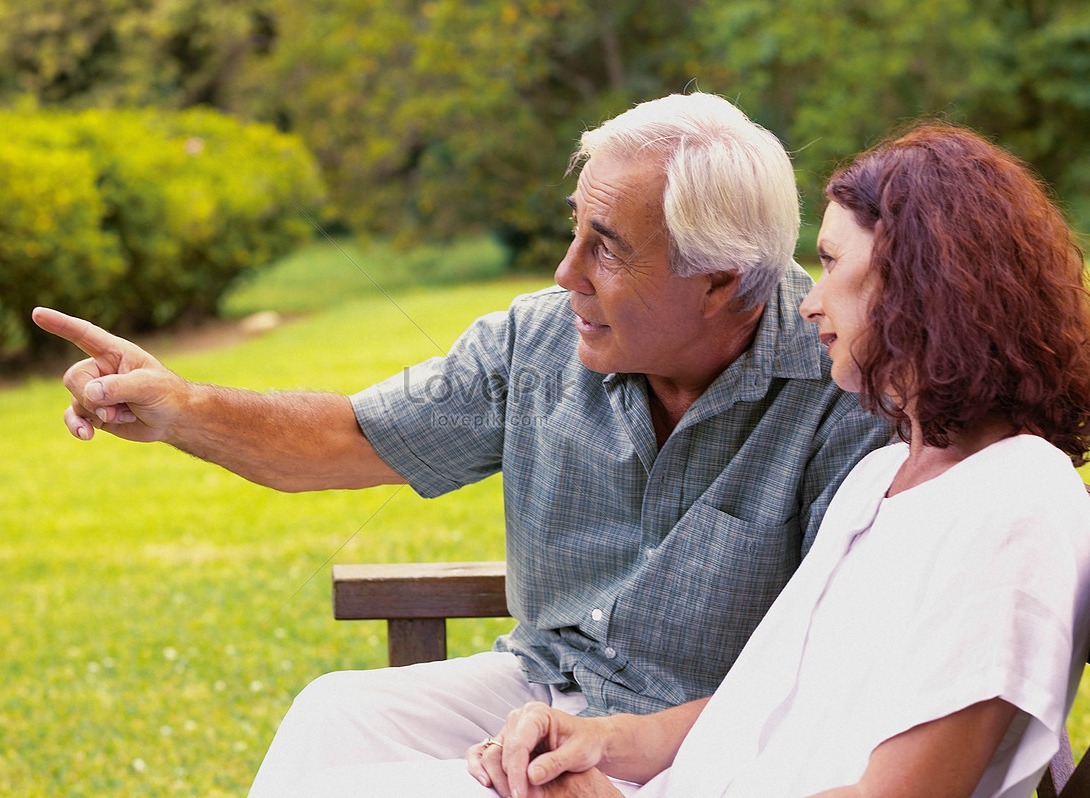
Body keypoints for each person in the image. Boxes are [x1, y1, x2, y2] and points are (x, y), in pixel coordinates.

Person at [31, 93, 890, 794]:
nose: (566, 273)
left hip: (714, 745)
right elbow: (346, 437)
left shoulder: (840, 390)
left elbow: (826, 678)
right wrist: (180, 405)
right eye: (575, 229)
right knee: (333, 715)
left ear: (722, 285)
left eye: (607, 248)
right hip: (540, 685)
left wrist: (604, 747)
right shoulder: (539, 343)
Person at [459, 124, 1090, 798]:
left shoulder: (1017, 502)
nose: (810, 301)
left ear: (923, 285)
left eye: (831, 264)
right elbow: (771, 703)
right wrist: (600, 740)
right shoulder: (885, 478)